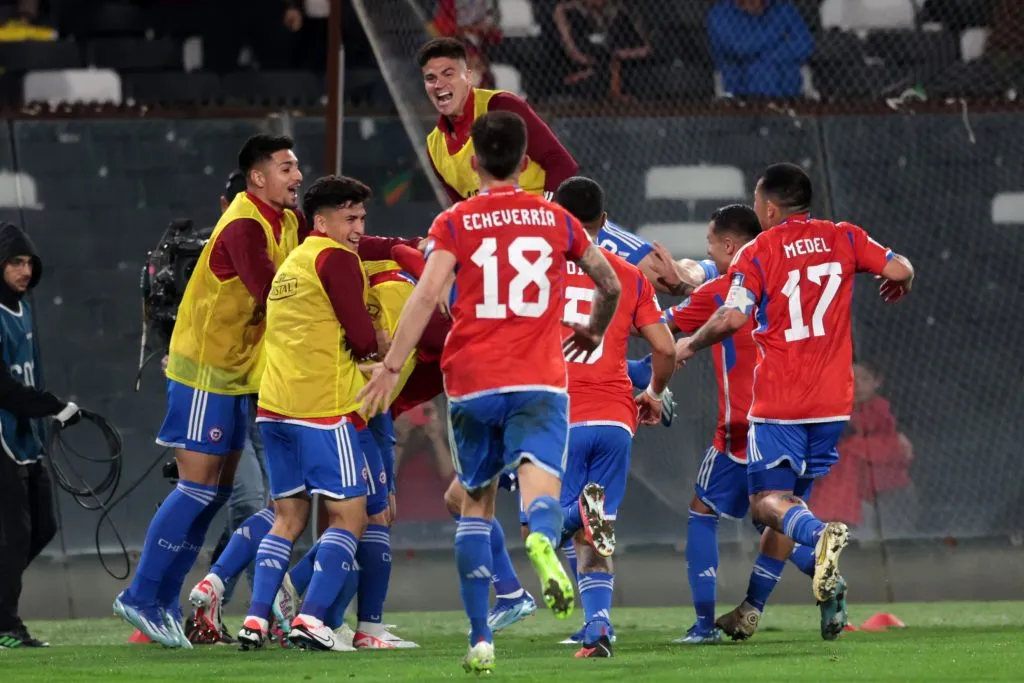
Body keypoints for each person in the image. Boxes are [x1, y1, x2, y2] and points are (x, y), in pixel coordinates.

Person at [359, 110, 622, 673]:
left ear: (474, 161)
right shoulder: (558, 219)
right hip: (539, 378)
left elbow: (427, 296)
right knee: (539, 489)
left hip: (473, 381)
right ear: (526, 162)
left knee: (474, 504)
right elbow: (610, 281)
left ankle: (481, 639)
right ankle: (543, 541)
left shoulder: (455, 221)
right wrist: (595, 328)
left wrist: (390, 367)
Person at [675, 163, 915, 610]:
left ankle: (822, 537)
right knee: (788, 507)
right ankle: (753, 609)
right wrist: (904, 281)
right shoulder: (845, 236)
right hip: (833, 404)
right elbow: (900, 269)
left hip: (780, 402)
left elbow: (733, 317)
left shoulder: (758, 252)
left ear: (768, 207)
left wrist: (692, 342)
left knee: (766, 505)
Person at [113, 134, 305, 648]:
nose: (298, 176)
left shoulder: (286, 220)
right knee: (197, 487)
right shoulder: (244, 224)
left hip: (238, 374)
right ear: (258, 177)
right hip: (204, 369)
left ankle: (161, 603)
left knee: (217, 491)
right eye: (287, 167)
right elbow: (274, 290)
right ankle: (141, 595)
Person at [235, 176, 422, 652]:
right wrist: (380, 340)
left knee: (288, 517)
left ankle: (256, 619)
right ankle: (312, 618)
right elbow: (361, 340)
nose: (358, 228)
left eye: (361, 217)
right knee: (351, 518)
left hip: (274, 409)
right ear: (321, 220)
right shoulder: (335, 258)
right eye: (349, 218)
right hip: (323, 409)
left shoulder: (292, 262)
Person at [663, 204, 843, 644]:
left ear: (729, 245)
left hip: (742, 428)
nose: (707, 251)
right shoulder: (782, 282)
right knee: (779, 514)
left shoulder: (725, 292)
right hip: (800, 418)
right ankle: (822, 582)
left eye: (711, 243)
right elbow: (702, 267)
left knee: (702, 510)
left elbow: (657, 328)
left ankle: (703, 625)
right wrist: (698, 268)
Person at [548, 176, 676, 658]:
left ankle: (561, 522)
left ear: (557, 220)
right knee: (598, 529)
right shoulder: (629, 275)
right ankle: (597, 628)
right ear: (604, 222)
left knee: (557, 523)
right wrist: (655, 393)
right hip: (616, 418)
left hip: (561, 416)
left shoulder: (540, 274)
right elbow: (664, 348)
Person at [0, 222, 81, 649]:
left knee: (42, 526)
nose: (24, 270)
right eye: (15, 261)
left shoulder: (24, 307)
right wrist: (51, 405)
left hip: (26, 437)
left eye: (28, 262)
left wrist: (45, 413)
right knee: (13, 533)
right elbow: (4, 387)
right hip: (2, 438)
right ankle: (6, 624)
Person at [707, 0, 814, 99]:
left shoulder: (782, 8)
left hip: (787, 87)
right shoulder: (720, 13)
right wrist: (779, 32)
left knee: (766, 68)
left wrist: (769, 57)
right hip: (741, 86)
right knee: (760, 71)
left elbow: (805, 44)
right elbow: (742, 48)